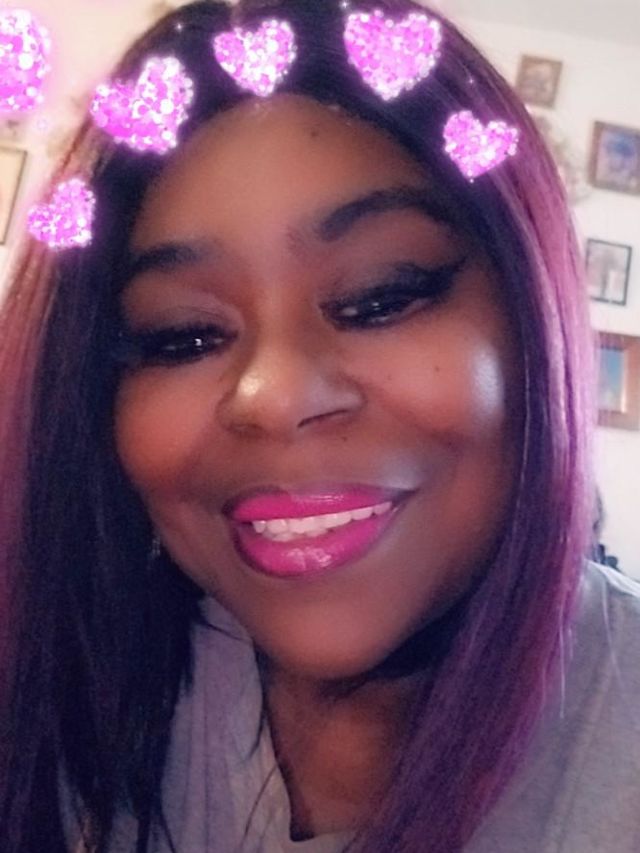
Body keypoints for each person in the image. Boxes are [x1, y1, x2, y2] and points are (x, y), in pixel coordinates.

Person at [1, 1, 639, 851]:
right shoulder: (60, 678)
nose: (271, 395)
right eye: (182, 336)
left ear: (532, 325)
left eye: (381, 296)